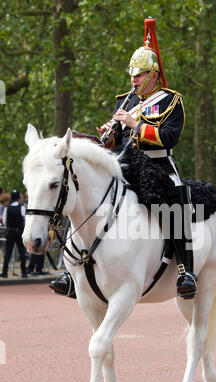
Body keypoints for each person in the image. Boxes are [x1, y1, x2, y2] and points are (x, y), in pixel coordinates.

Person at [50, 18, 197, 300]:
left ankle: (184, 271)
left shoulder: (170, 101)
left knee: (176, 201)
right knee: (82, 195)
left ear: (154, 75)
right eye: (132, 74)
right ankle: (68, 269)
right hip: (125, 163)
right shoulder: (125, 100)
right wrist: (110, 133)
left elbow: (169, 137)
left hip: (158, 164)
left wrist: (133, 124)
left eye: (140, 75)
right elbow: (118, 140)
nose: (134, 79)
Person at [0, 190, 27, 278]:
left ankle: (4, 273)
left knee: (8, 253)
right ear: (18, 198)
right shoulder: (22, 207)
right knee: (22, 252)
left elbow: (4, 221)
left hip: (10, 232)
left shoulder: (7, 208)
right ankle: (24, 272)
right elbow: (25, 221)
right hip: (19, 232)